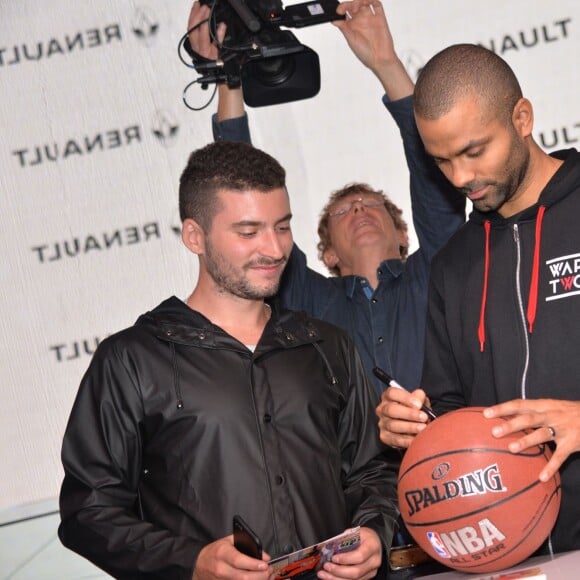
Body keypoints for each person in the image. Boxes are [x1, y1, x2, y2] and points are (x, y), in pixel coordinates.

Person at [58, 140, 400, 579]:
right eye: (248, 232)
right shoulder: (131, 360)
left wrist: (373, 533)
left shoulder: (327, 346)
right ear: (194, 236)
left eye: (282, 227)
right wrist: (192, 562)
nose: (275, 250)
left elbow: (372, 473)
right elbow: (89, 511)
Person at [187, 0, 466, 397]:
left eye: (371, 204)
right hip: (348, 461)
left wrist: (386, 63)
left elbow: (431, 172)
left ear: (403, 233)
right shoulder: (307, 299)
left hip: (453, 451)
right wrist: (228, 72)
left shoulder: (439, 270)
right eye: (342, 210)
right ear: (328, 253)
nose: (357, 208)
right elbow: (241, 190)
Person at [376, 43, 580, 556]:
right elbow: (451, 414)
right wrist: (415, 426)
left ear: (522, 117)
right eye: (442, 160)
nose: (462, 178)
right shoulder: (453, 265)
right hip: (516, 558)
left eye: (473, 151)